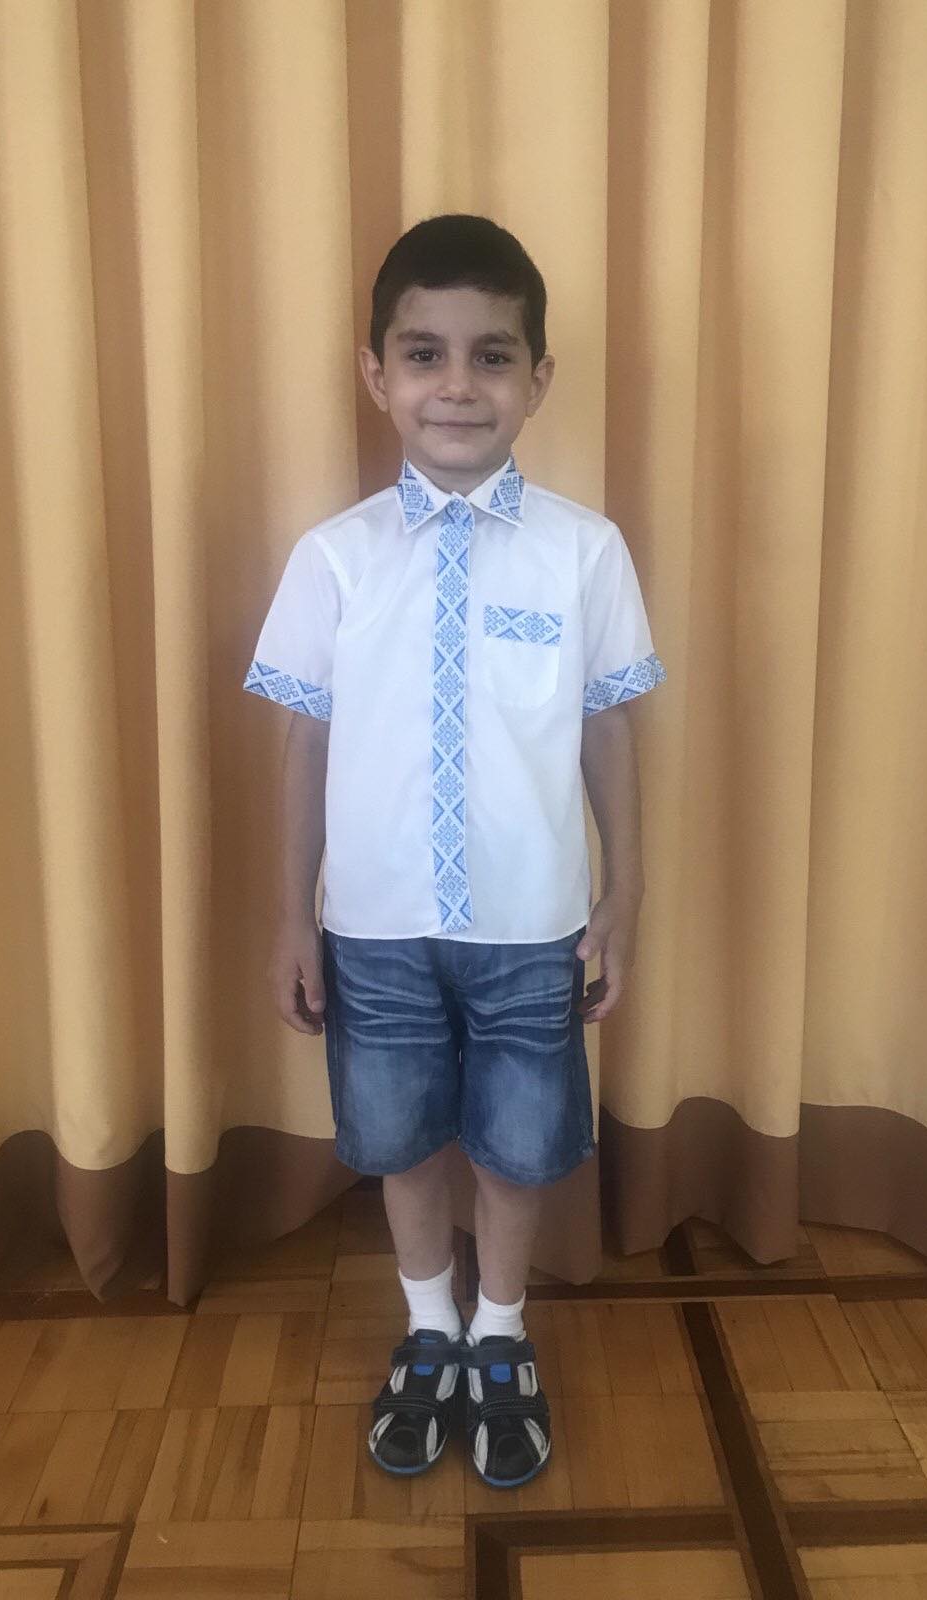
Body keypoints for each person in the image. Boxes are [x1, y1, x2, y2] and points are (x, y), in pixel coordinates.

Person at [244, 213, 664, 1489]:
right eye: (424, 354)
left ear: (539, 378)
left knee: (520, 1144)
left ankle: (501, 1331)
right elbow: (305, 744)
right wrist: (291, 914)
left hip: (534, 925)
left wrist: (624, 895)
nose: (458, 386)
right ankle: (429, 1325)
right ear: (376, 375)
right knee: (403, 1136)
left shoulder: (585, 551)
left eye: (493, 356)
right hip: (373, 926)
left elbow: (605, 731)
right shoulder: (335, 558)